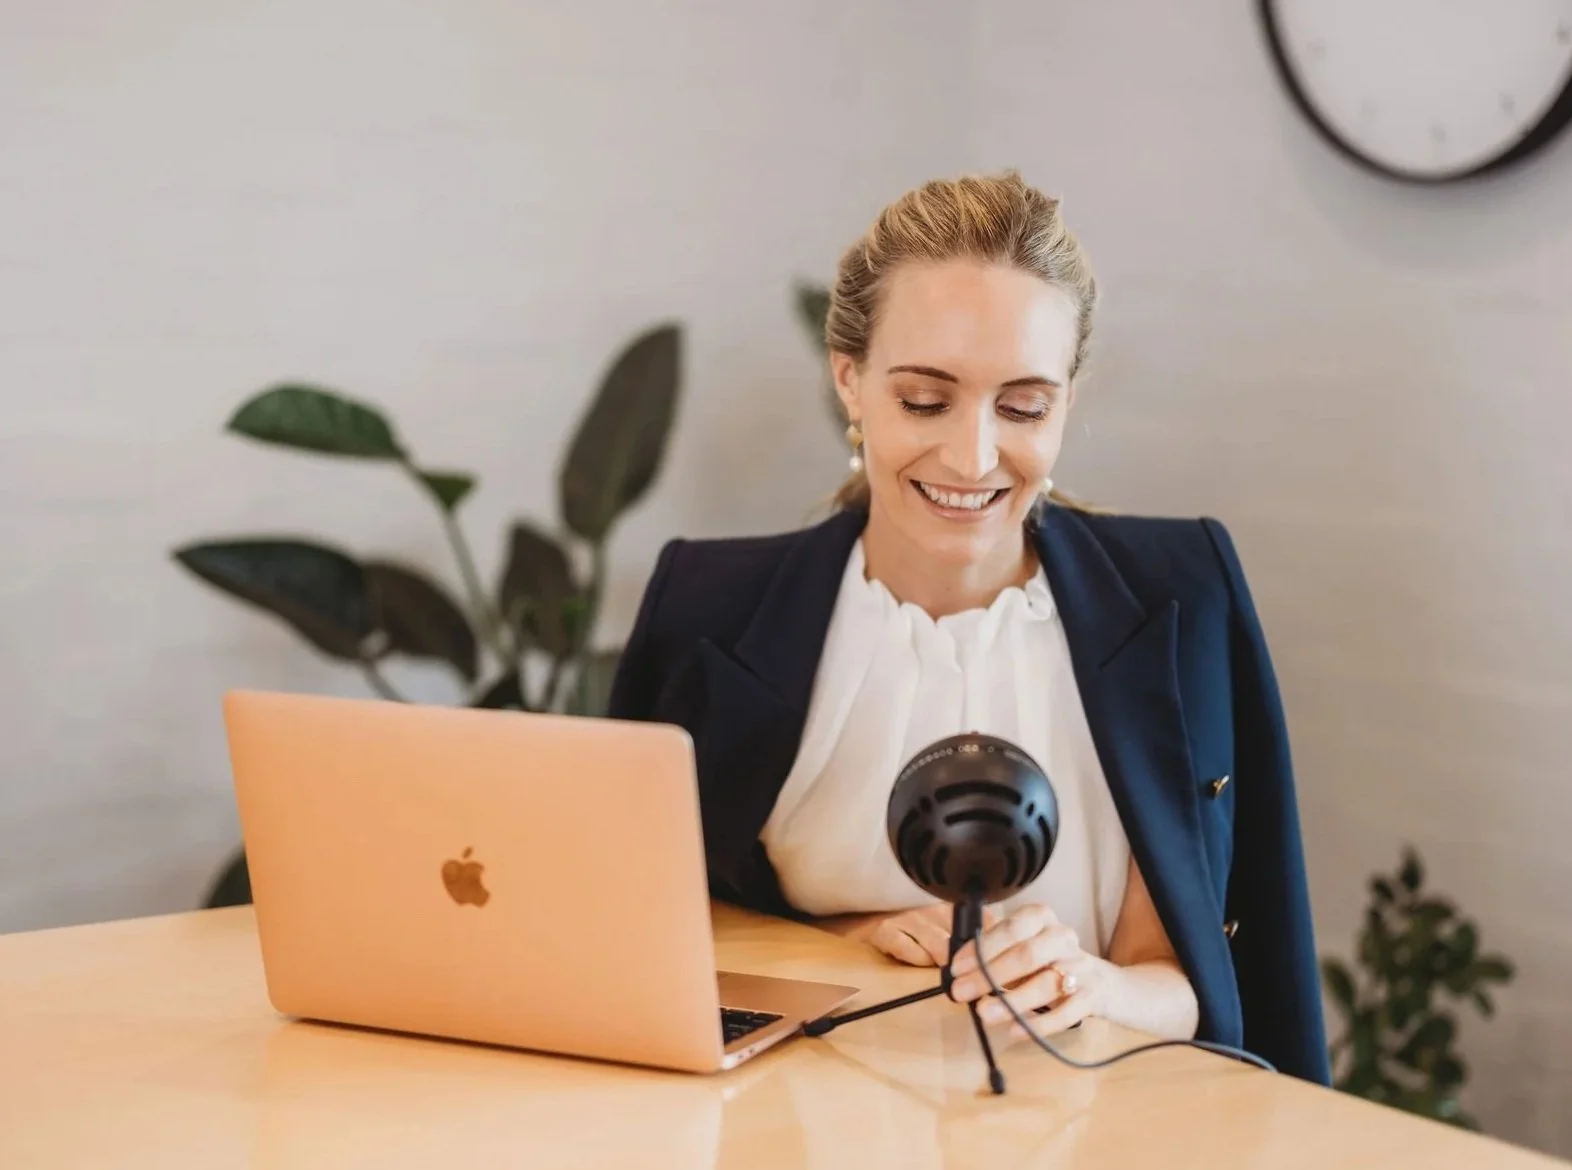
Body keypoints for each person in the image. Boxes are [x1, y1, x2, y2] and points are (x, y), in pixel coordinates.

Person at [606, 170, 1330, 1085]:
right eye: (923, 400)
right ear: (849, 382)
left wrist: (1089, 985)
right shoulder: (707, 608)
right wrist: (848, 935)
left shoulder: (1180, 598)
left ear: (1067, 399)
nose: (974, 456)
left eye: (1023, 406)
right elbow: (636, 925)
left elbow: (1189, 979)